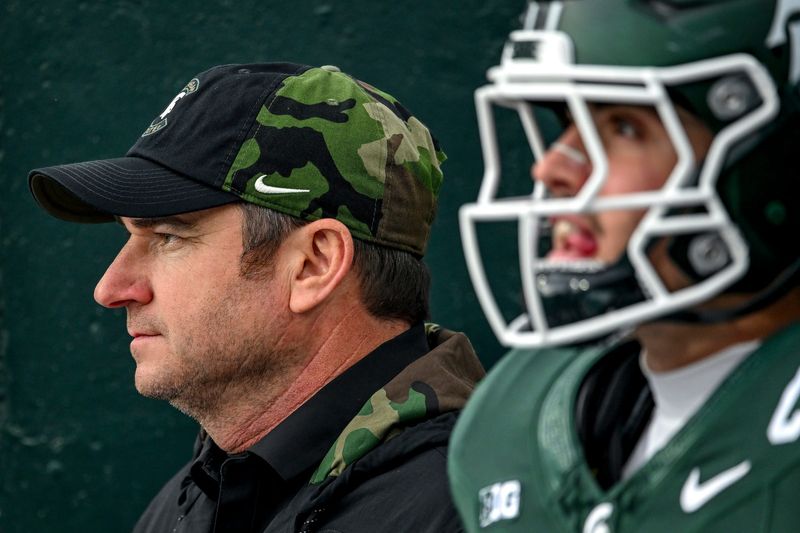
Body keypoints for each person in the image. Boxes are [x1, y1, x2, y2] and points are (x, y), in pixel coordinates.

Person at [28, 62, 484, 532]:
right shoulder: (194, 500)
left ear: (314, 265)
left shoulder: (470, 507)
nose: (110, 289)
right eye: (128, 236)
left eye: (168, 237)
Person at [448, 1, 800, 531]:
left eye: (624, 126)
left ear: (768, 164)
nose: (551, 168)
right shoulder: (513, 417)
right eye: (568, 121)